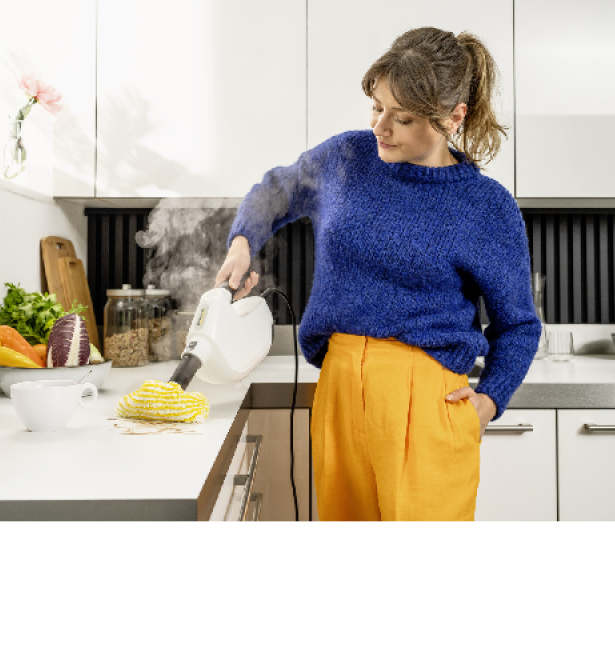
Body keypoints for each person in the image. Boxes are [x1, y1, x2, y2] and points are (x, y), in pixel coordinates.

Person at [214, 27, 542, 521]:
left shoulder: (485, 206)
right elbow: (275, 191)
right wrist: (242, 242)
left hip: (427, 401)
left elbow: (518, 325)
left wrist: (491, 399)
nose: (380, 127)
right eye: (376, 107)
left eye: (402, 118)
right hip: (339, 390)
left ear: (453, 118)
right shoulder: (345, 158)